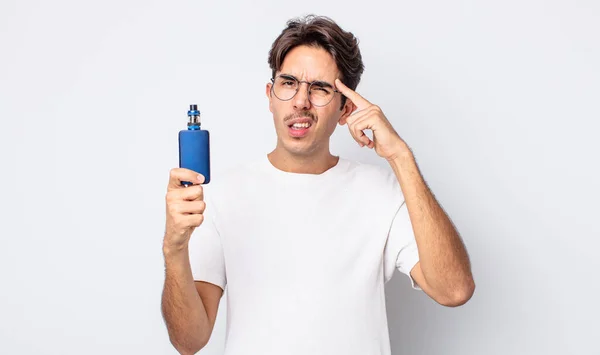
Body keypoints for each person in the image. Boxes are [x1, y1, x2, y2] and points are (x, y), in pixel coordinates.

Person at [161, 14, 475, 355]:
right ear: (270, 95)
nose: (301, 101)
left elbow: (454, 290)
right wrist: (173, 249)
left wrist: (400, 156)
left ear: (345, 110)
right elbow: (188, 341)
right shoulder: (222, 197)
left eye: (321, 88)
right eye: (289, 83)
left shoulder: (381, 192)